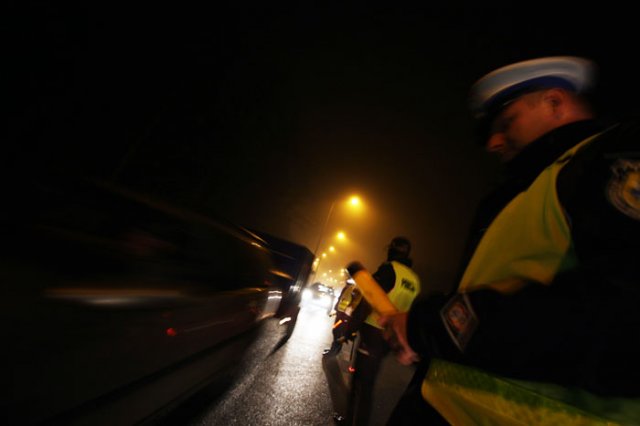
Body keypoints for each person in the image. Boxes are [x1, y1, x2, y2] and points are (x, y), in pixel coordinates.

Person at [381, 56, 640, 424]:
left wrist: (434, 327)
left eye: (506, 123)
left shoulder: (610, 159)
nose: (493, 142)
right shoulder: (533, 189)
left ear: (554, 103)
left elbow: (618, 320)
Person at [345, 236, 422, 425]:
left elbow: (370, 298)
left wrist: (351, 328)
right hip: (390, 338)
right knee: (367, 381)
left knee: (362, 384)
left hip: (373, 333)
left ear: (391, 250)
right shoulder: (414, 280)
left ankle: (353, 421)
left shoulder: (389, 270)